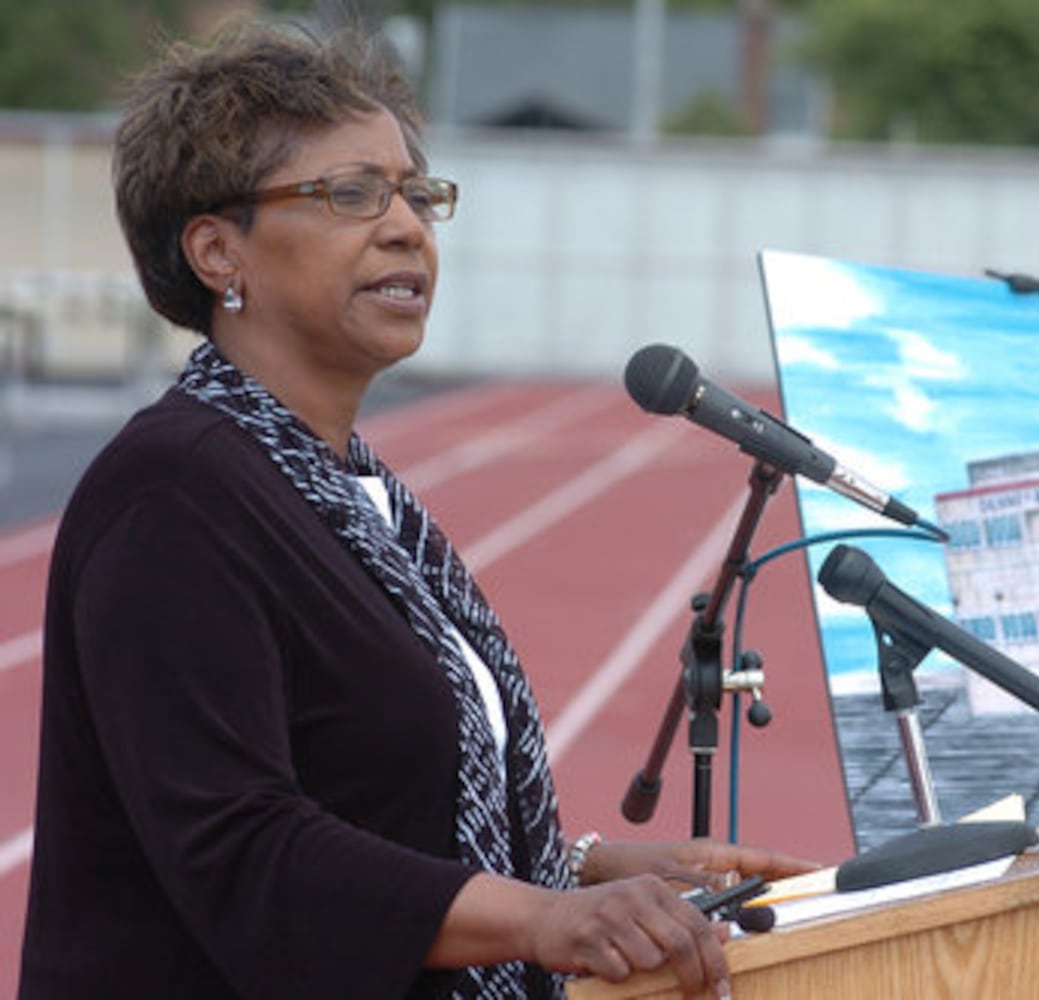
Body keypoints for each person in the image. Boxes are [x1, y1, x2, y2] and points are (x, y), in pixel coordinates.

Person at [19, 21, 816, 1000]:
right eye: (350, 195)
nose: (405, 226)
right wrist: (541, 918)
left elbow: (373, 801)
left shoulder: (348, 492)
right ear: (219, 252)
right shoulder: (173, 495)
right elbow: (245, 849)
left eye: (415, 194)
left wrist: (574, 869)